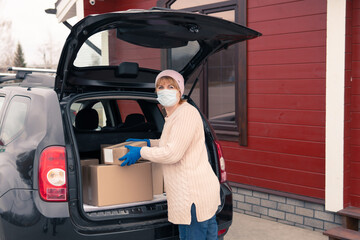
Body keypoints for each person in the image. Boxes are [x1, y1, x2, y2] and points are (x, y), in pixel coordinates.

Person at [119, 69, 221, 240]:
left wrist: (141, 151)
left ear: (180, 91)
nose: (164, 90)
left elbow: (173, 153)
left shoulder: (185, 114)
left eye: (170, 86)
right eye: (160, 87)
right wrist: (148, 143)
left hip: (192, 197)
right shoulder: (174, 115)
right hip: (201, 193)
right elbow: (174, 142)